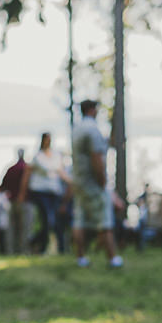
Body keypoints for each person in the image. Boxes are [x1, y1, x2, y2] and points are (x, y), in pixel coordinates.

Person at [70, 99, 122, 268]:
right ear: (92, 110)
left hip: (79, 182)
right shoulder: (92, 130)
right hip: (93, 183)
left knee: (79, 220)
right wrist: (103, 183)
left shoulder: (76, 129)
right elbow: (96, 158)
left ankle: (80, 258)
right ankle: (113, 258)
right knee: (105, 222)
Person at [21, 132, 68, 255]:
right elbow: (27, 174)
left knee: (56, 221)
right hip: (40, 192)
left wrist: (71, 182)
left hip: (54, 192)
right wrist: (23, 193)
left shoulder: (56, 156)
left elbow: (61, 172)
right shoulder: (37, 156)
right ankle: (41, 246)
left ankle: (58, 248)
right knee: (47, 219)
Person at [0, 148, 30, 255]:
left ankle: (11, 250)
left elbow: (2, 186)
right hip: (24, 202)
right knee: (24, 227)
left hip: (12, 202)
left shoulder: (11, 169)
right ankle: (23, 250)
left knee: (12, 227)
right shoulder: (26, 168)